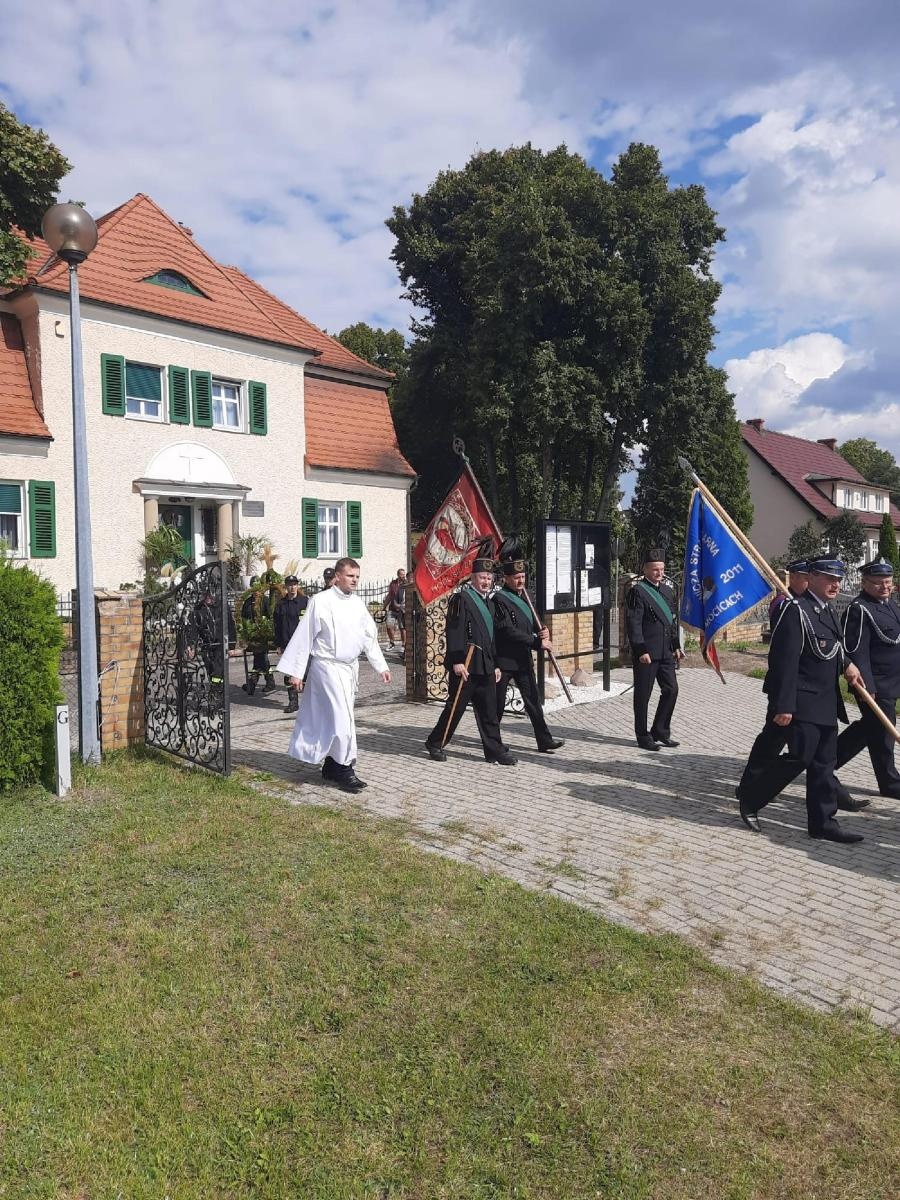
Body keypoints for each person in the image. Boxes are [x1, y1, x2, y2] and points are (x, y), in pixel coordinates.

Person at [736, 558, 864, 844]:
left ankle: (823, 823)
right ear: (813, 578)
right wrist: (783, 705)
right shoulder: (796, 611)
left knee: (824, 764)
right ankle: (750, 799)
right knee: (799, 758)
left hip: (827, 701)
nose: (836, 584)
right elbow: (784, 662)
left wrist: (848, 664)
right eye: (830, 578)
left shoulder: (828, 611)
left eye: (839, 579)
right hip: (802, 701)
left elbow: (834, 647)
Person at [276, 557, 390, 793]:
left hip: (348, 669)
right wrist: (296, 672)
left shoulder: (358, 603)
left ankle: (331, 764)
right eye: (350, 576)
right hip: (327, 667)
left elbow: (369, 636)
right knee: (342, 720)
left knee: (337, 719)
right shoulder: (321, 601)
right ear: (337, 576)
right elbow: (305, 635)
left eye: (357, 576)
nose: (355, 580)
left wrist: (381, 665)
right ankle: (345, 769)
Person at [424, 556, 516, 765]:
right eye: (482, 577)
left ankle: (494, 750)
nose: (486, 581)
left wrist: (496, 664)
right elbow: (454, 631)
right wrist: (456, 661)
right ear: (473, 578)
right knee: (454, 709)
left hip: (485, 665)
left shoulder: (489, 603)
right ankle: (435, 743)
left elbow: (492, 637)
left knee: (489, 711)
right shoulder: (461, 599)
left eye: (489, 578)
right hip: (465, 665)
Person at [834, 557, 900, 801]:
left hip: (892, 681)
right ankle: (889, 782)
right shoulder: (859, 609)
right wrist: (866, 687)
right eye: (879, 583)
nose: (885, 587)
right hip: (875, 684)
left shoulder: (889, 604)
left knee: (868, 729)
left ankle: (824, 761)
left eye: (889, 582)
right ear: (865, 583)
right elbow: (856, 649)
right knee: (883, 731)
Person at [491, 555, 564, 752]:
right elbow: (506, 630)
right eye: (516, 577)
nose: (520, 581)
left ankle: (544, 740)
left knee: (533, 701)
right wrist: (536, 642)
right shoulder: (498, 600)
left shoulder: (527, 597)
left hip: (523, 659)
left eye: (522, 576)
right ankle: (493, 743)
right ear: (506, 578)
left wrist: (544, 630)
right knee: (497, 705)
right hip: (504, 660)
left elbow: (534, 622)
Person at [626, 549, 683, 751]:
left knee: (671, 690)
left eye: (661, 569)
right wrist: (640, 650)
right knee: (643, 695)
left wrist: (676, 645)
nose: (659, 573)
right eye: (655, 569)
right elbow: (634, 624)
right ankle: (642, 735)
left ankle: (660, 730)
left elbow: (671, 622)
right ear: (645, 570)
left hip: (666, 652)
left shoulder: (667, 591)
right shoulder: (637, 591)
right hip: (647, 654)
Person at [274, 575, 309, 713]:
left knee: (306, 674)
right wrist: (278, 645)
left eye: (294, 584)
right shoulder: (281, 604)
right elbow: (276, 626)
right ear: (286, 587)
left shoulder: (305, 602)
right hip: (287, 644)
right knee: (288, 674)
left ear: (297, 586)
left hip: (303, 644)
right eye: (289, 585)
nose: (292, 587)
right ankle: (293, 702)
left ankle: (309, 702)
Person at [240, 576, 276, 696]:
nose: (255, 591)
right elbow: (243, 618)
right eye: (253, 588)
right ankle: (266, 681)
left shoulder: (265, 601)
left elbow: (271, 617)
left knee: (260, 658)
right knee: (260, 659)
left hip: (263, 637)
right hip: (252, 637)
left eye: (257, 588)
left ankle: (252, 683)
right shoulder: (248, 602)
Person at [384, 568, 408, 654]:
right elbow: (390, 596)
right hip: (392, 608)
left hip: (403, 610)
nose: (403, 576)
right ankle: (392, 642)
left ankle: (403, 645)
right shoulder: (393, 584)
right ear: (398, 575)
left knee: (403, 628)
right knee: (389, 625)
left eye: (404, 574)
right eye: (401, 574)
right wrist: (384, 607)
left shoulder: (407, 583)